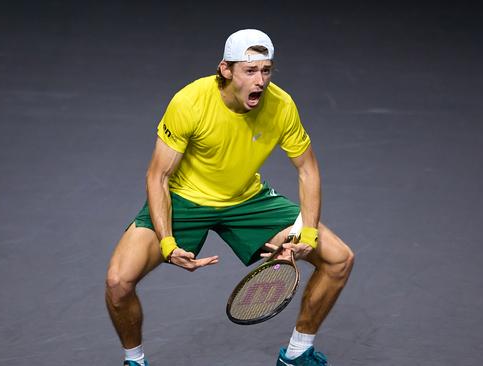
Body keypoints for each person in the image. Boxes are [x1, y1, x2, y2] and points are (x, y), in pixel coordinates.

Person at [105, 29, 354, 366]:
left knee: (339, 258)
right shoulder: (190, 102)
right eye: (250, 71)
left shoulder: (281, 106)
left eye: (266, 70)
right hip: (184, 200)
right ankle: (135, 360)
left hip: (246, 201)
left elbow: (308, 170)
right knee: (118, 282)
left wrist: (307, 233)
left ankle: (297, 353)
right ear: (225, 69)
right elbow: (157, 175)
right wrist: (167, 242)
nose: (261, 80)